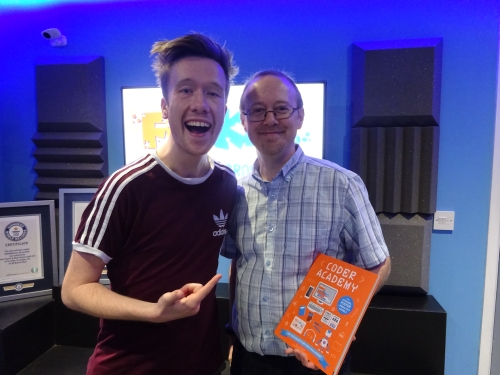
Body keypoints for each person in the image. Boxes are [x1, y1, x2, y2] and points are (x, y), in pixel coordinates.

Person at [61, 33, 239, 375]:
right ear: (164, 106)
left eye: (213, 92)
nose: (201, 102)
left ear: (224, 109)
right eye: (185, 89)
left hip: (202, 364)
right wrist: (154, 312)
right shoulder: (126, 187)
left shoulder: (226, 183)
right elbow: (74, 290)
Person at [221, 70, 391, 375]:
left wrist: (341, 325)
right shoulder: (236, 192)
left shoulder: (342, 185)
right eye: (257, 111)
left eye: (282, 109)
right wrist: (233, 334)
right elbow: (240, 266)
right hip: (249, 360)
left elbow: (379, 265)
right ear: (243, 121)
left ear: (300, 117)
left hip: (313, 362)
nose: (270, 119)